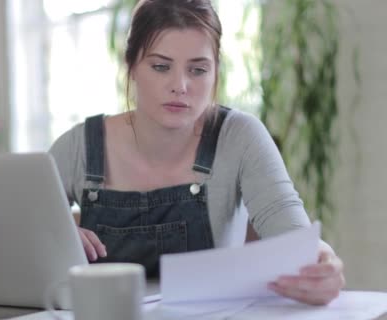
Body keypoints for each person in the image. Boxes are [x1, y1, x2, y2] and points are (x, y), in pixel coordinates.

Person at [49, 0, 344, 306]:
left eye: (198, 70)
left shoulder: (240, 136)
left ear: (216, 72)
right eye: (161, 66)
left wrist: (323, 261)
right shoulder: (78, 147)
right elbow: (10, 237)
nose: (180, 85)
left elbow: (295, 240)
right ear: (132, 66)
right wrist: (53, 237)